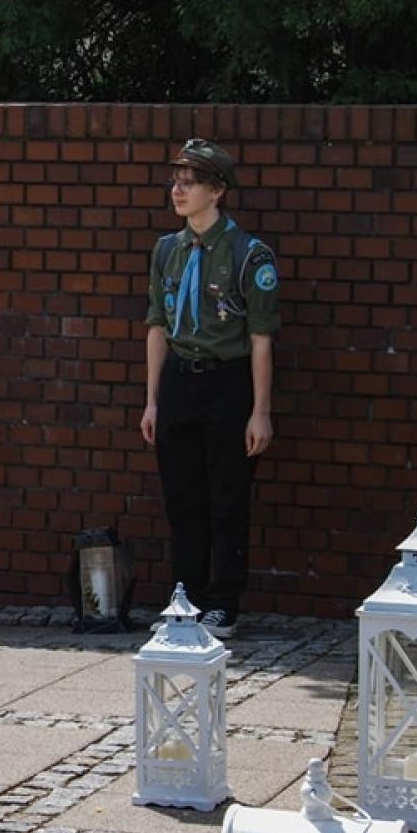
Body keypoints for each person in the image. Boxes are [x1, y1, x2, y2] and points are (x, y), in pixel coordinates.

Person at [140, 139, 280, 639]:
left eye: (190, 180)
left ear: (217, 191)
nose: (178, 189)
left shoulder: (248, 254)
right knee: (183, 498)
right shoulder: (167, 250)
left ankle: (223, 600)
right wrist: (154, 399)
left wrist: (259, 410)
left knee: (227, 497)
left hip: (228, 381)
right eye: (175, 178)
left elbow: (261, 338)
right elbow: (157, 325)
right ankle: (187, 596)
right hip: (180, 377)